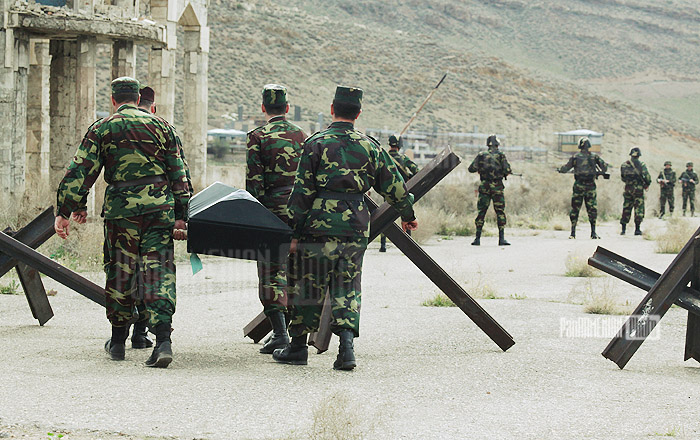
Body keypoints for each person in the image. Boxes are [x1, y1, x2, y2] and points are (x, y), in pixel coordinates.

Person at [273, 86, 417, 370]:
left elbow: (301, 193)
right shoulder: (370, 146)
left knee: (309, 283)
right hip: (355, 225)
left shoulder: (315, 143)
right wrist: (408, 213)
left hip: (317, 226)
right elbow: (395, 185)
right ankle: (346, 350)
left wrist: (291, 231)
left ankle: (298, 347)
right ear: (358, 113)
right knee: (348, 284)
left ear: (331, 109)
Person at [54, 77, 191, 368]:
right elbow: (179, 173)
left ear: (114, 100)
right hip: (159, 210)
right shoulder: (162, 126)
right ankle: (163, 341)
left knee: (120, 269)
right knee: (159, 271)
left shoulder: (103, 127)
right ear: (139, 96)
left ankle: (117, 341)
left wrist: (67, 209)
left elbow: (81, 171)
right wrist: (182, 215)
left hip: (121, 212)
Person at [246, 84, 307, 354]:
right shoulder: (303, 136)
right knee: (296, 272)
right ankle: (294, 336)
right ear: (287, 108)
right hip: (300, 211)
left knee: (271, 273)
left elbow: (254, 185)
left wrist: (254, 218)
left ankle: (280, 332)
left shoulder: (257, 137)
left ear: (263, 108)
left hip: (271, 212)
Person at [557, 137, 608, 239]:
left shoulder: (575, 157)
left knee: (575, 208)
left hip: (579, 186)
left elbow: (565, 168)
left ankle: (573, 233)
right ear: (589, 146)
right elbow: (604, 167)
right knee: (592, 209)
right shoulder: (594, 157)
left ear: (580, 146)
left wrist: (559, 169)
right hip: (590, 186)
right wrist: (598, 173)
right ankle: (593, 233)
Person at [468, 134, 512, 246]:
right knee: (500, 212)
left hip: (485, 186)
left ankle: (477, 239)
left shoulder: (481, 155)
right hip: (497, 187)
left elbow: (471, 169)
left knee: (481, 212)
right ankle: (501, 239)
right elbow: (507, 169)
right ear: (497, 144)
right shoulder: (501, 155)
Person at [379, 134, 420, 252]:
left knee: (385, 218)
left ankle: (383, 245)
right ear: (400, 145)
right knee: (406, 214)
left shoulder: (384, 157)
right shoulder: (403, 158)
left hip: (386, 192)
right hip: (403, 191)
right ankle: (408, 244)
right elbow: (416, 170)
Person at [620, 147, 651, 235]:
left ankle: (623, 229)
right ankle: (637, 229)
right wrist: (646, 184)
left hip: (628, 189)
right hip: (638, 190)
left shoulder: (624, 165)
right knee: (639, 209)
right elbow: (647, 177)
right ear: (639, 155)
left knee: (626, 208)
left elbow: (623, 178)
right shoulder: (642, 165)